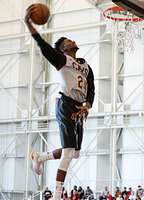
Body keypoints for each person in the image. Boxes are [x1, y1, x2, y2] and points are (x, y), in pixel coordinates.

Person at [25, 5, 95, 200]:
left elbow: (92, 88)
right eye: (68, 40)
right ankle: (57, 195)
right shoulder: (61, 59)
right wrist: (29, 25)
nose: (73, 41)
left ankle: (40, 157)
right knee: (69, 152)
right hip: (65, 105)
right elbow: (43, 45)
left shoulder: (86, 65)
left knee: (74, 153)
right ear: (64, 48)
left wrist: (87, 105)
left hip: (79, 109)